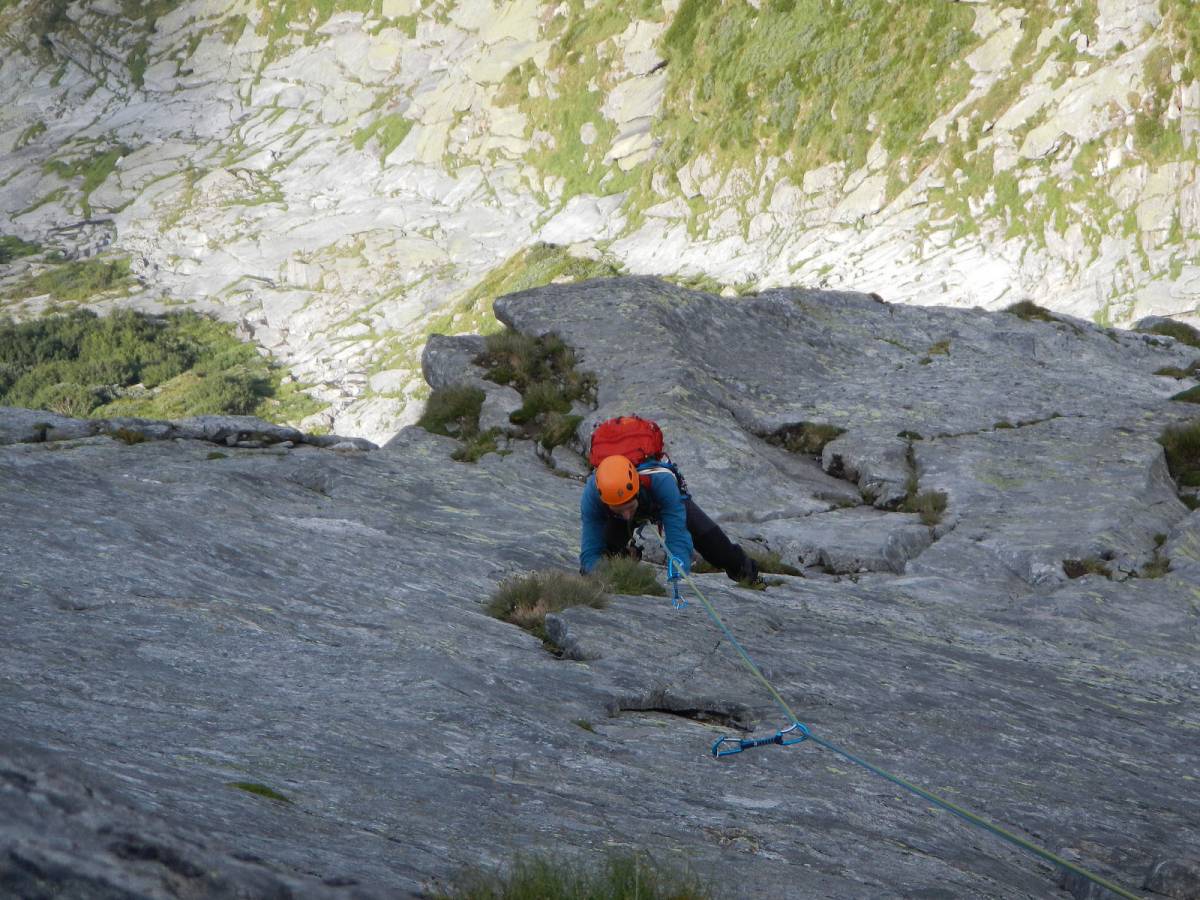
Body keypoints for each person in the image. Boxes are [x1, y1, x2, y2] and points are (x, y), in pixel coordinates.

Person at [579, 453, 762, 585]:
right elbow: (590, 549)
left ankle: (749, 576)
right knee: (604, 554)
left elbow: (678, 537)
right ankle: (626, 558)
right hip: (616, 516)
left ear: (636, 490)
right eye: (620, 510)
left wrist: (677, 576)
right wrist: (596, 574)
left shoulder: (661, 482)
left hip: (664, 503)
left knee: (718, 549)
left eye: (628, 508)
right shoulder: (592, 497)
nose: (627, 515)